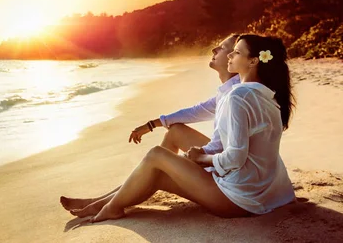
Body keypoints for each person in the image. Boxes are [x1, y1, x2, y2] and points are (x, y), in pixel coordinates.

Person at [65, 34, 296, 222]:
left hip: (238, 199)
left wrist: (201, 158)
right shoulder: (266, 93)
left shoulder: (239, 95)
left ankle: (110, 207)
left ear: (254, 61)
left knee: (156, 157)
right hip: (256, 191)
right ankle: (103, 202)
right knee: (168, 147)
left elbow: (235, 155)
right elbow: (205, 119)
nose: (226, 54)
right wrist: (184, 148)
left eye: (234, 51)